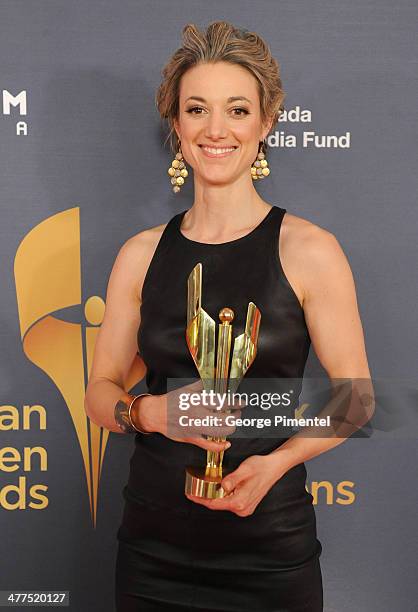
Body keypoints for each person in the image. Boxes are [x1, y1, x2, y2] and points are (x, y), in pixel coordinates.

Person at [85, 21, 373, 612]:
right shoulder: (140, 255)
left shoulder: (309, 249)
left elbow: (357, 398)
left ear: (266, 124)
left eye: (237, 110)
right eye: (197, 109)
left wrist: (277, 464)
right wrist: (149, 411)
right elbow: (98, 392)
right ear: (177, 126)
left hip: (270, 553)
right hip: (152, 550)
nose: (216, 129)